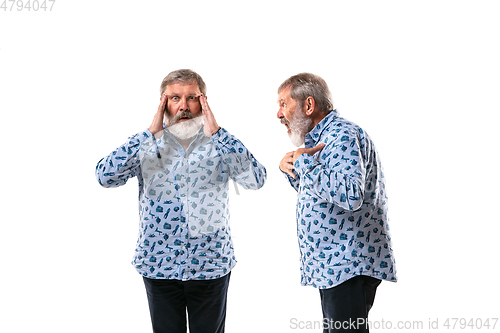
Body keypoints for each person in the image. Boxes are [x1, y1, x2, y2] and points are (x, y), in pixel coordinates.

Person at [95, 69, 267, 333]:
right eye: (175, 98)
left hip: (210, 265)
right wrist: (148, 134)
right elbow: (105, 176)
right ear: (163, 103)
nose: (183, 106)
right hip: (158, 264)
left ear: (204, 101)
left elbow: (256, 179)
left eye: (191, 98)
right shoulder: (147, 145)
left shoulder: (220, 144)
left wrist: (218, 132)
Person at [277, 73, 397, 332]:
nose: (278, 114)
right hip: (334, 265)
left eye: (284, 104)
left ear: (309, 106)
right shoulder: (322, 139)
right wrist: (292, 170)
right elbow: (323, 194)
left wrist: (304, 162)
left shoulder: (341, 135)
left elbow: (350, 195)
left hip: (347, 264)